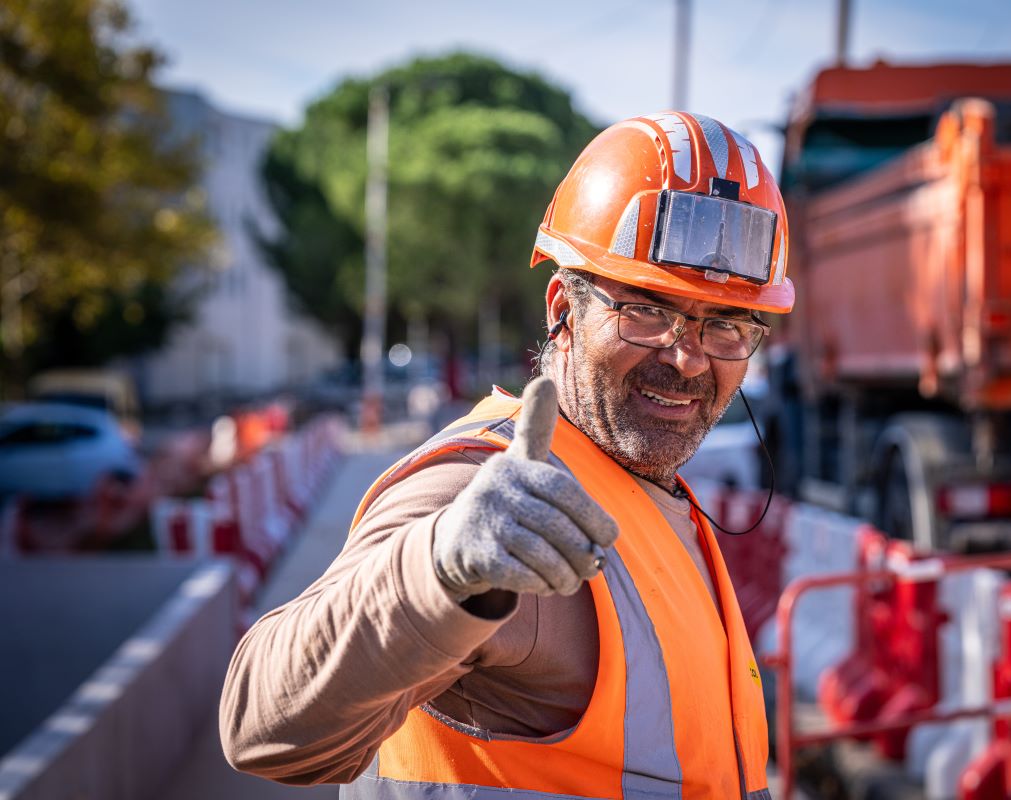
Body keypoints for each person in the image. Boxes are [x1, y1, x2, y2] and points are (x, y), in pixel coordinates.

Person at [220, 110, 795, 799]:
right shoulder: (484, 488)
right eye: (647, 312)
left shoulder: (657, 495)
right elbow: (260, 723)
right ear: (563, 310)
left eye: (726, 325)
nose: (688, 359)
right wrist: (440, 569)